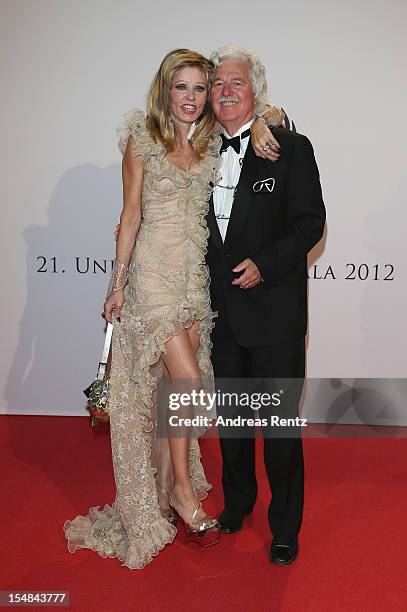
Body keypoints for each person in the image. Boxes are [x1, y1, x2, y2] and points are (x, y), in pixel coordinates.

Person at [63, 48, 281, 570]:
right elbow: (131, 213)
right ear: (165, 91)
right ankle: (184, 492)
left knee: (174, 392)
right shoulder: (143, 141)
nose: (191, 98)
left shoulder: (209, 143)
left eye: (199, 88)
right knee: (185, 385)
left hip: (192, 285)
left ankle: (175, 492)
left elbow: (260, 115)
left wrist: (265, 123)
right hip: (153, 283)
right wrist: (117, 285)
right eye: (181, 87)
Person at [206, 46, 326, 565]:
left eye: (236, 82)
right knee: (231, 423)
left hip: (274, 313)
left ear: (256, 90)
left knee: (278, 430)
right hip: (219, 317)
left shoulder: (289, 146)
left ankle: (284, 527)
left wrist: (266, 264)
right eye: (217, 84)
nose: (225, 91)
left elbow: (309, 223)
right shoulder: (198, 151)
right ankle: (237, 504)